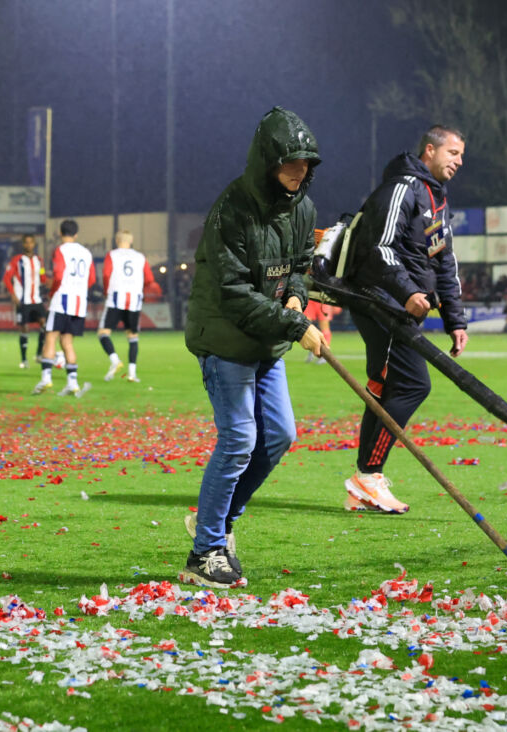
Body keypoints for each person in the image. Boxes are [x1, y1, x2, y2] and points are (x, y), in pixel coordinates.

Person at [178, 107, 324, 588]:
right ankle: (205, 553)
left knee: (279, 435)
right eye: (290, 162)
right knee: (239, 439)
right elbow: (234, 294)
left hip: (265, 338)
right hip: (224, 337)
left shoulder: (303, 206)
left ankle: (215, 524)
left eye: (305, 163)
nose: (299, 171)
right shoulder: (231, 209)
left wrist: (299, 295)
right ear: (266, 160)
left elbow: (301, 262)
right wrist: (294, 324)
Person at [341, 125, 469, 514]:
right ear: (429, 150)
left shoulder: (436, 199)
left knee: (383, 388)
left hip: (402, 304)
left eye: (462, 156)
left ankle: (364, 484)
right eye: (453, 153)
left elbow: (444, 262)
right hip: (382, 300)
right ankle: (368, 476)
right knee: (413, 385)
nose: (459, 162)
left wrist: (455, 319)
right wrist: (408, 293)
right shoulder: (402, 188)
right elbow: (379, 248)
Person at [32, 219, 95, 397]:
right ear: (76, 234)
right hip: (79, 302)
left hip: (62, 299)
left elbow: (58, 275)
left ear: (60, 233)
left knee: (50, 338)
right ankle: (72, 383)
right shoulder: (86, 252)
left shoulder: (60, 250)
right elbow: (91, 280)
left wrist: (52, 291)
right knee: (67, 342)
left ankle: (46, 378)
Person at [97, 229, 160, 382]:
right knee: (132, 336)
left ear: (117, 240)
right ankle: (132, 373)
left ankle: (115, 361)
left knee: (103, 333)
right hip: (134, 300)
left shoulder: (112, 255)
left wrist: (106, 291)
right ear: (131, 241)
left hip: (116, 298)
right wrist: (138, 287)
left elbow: (106, 274)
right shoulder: (140, 257)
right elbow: (150, 279)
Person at [2, 234, 46, 368]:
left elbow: (42, 278)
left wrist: (52, 282)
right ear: (23, 244)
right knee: (25, 329)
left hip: (36, 299)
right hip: (23, 300)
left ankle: (39, 355)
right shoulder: (16, 260)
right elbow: (6, 278)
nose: (29, 245)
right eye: (26, 243)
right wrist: (13, 295)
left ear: (34, 244)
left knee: (45, 325)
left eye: (31, 242)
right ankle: (24, 359)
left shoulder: (39, 260)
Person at [302, 298, 339, 363]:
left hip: (324, 299)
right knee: (306, 325)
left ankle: (325, 353)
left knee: (324, 326)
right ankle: (312, 349)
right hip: (309, 298)